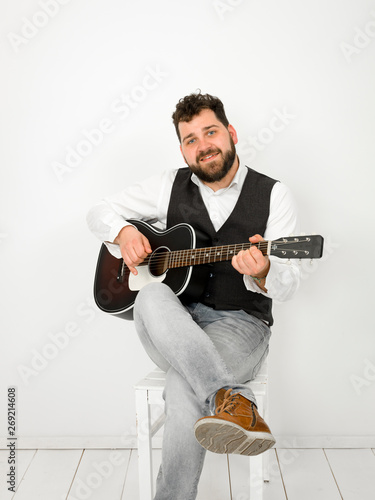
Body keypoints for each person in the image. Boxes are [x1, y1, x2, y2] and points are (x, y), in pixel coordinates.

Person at [87, 92, 300, 499]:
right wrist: (124, 232)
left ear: (230, 132)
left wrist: (266, 271)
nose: (202, 145)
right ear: (182, 149)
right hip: (174, 325)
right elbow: (97, 211)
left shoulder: (275, 194)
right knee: (150, 296)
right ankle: (231, 399)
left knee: (183, 388)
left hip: (242, 325)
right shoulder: (168, 185)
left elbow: (290, 285)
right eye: (190, 139)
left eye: (210, 132)